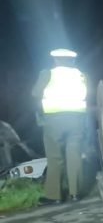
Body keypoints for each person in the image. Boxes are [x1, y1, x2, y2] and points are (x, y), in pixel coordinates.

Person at [31, 48, 87, 204]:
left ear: (55, 59)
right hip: (76, 120)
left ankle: (55, 196)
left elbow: (35, 93)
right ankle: (75, 194)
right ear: (72, 60)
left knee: (55, 157)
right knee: (74, 155)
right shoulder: (81, 75)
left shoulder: (48, 73)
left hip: (54, 120)